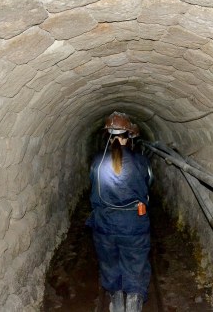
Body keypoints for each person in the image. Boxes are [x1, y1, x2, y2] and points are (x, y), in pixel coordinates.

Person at [86, 112, 153, 312]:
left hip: (104, 223)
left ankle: (116, 299)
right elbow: (148, 184)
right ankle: (134, 301)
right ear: (129, 136)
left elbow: (93, 184)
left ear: (108, 135)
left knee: (109, 263)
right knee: (136, 263)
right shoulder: (141, 161)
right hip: (134, 223)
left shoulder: (97, 161)